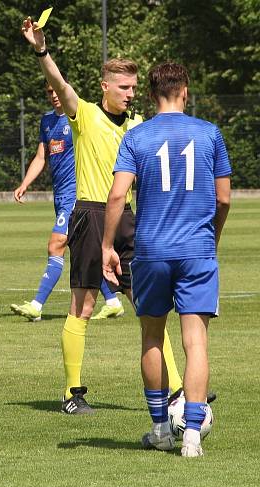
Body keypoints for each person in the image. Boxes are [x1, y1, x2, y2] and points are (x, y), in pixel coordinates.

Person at [20, 15, 185, 414]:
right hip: (91, 215)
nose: (130, 93)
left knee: (150, 306)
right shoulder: (86, 114)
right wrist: (41, 48)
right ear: (105, 87)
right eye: (123, 87)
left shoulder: (140, 125)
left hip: (129, 220)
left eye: (133, 87)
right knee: (84, 305)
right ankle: (71, 394)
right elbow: (59, 84)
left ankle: (178, 389)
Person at [102, 61, 230, 457]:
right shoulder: (210, 134)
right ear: (185, 91)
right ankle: (192, 435)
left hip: (151, 252)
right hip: (197, 250)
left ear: (151, 94)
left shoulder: (137, 136)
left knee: (152, 336)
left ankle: (160, 428)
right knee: (196, 341)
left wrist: (107, 245)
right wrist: (213, 236)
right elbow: (224, 198)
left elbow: (118, 195)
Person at [10, 78, 125, 322]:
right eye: (49, 91)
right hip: (60, 196)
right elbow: (41, 157)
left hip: (77, 194)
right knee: (80, 251)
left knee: (55, 245)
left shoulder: (79, 120)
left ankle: (36, 305)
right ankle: (113, 301)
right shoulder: (47, 121)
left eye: (56, 90)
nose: (53, 95)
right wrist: (25, 183)